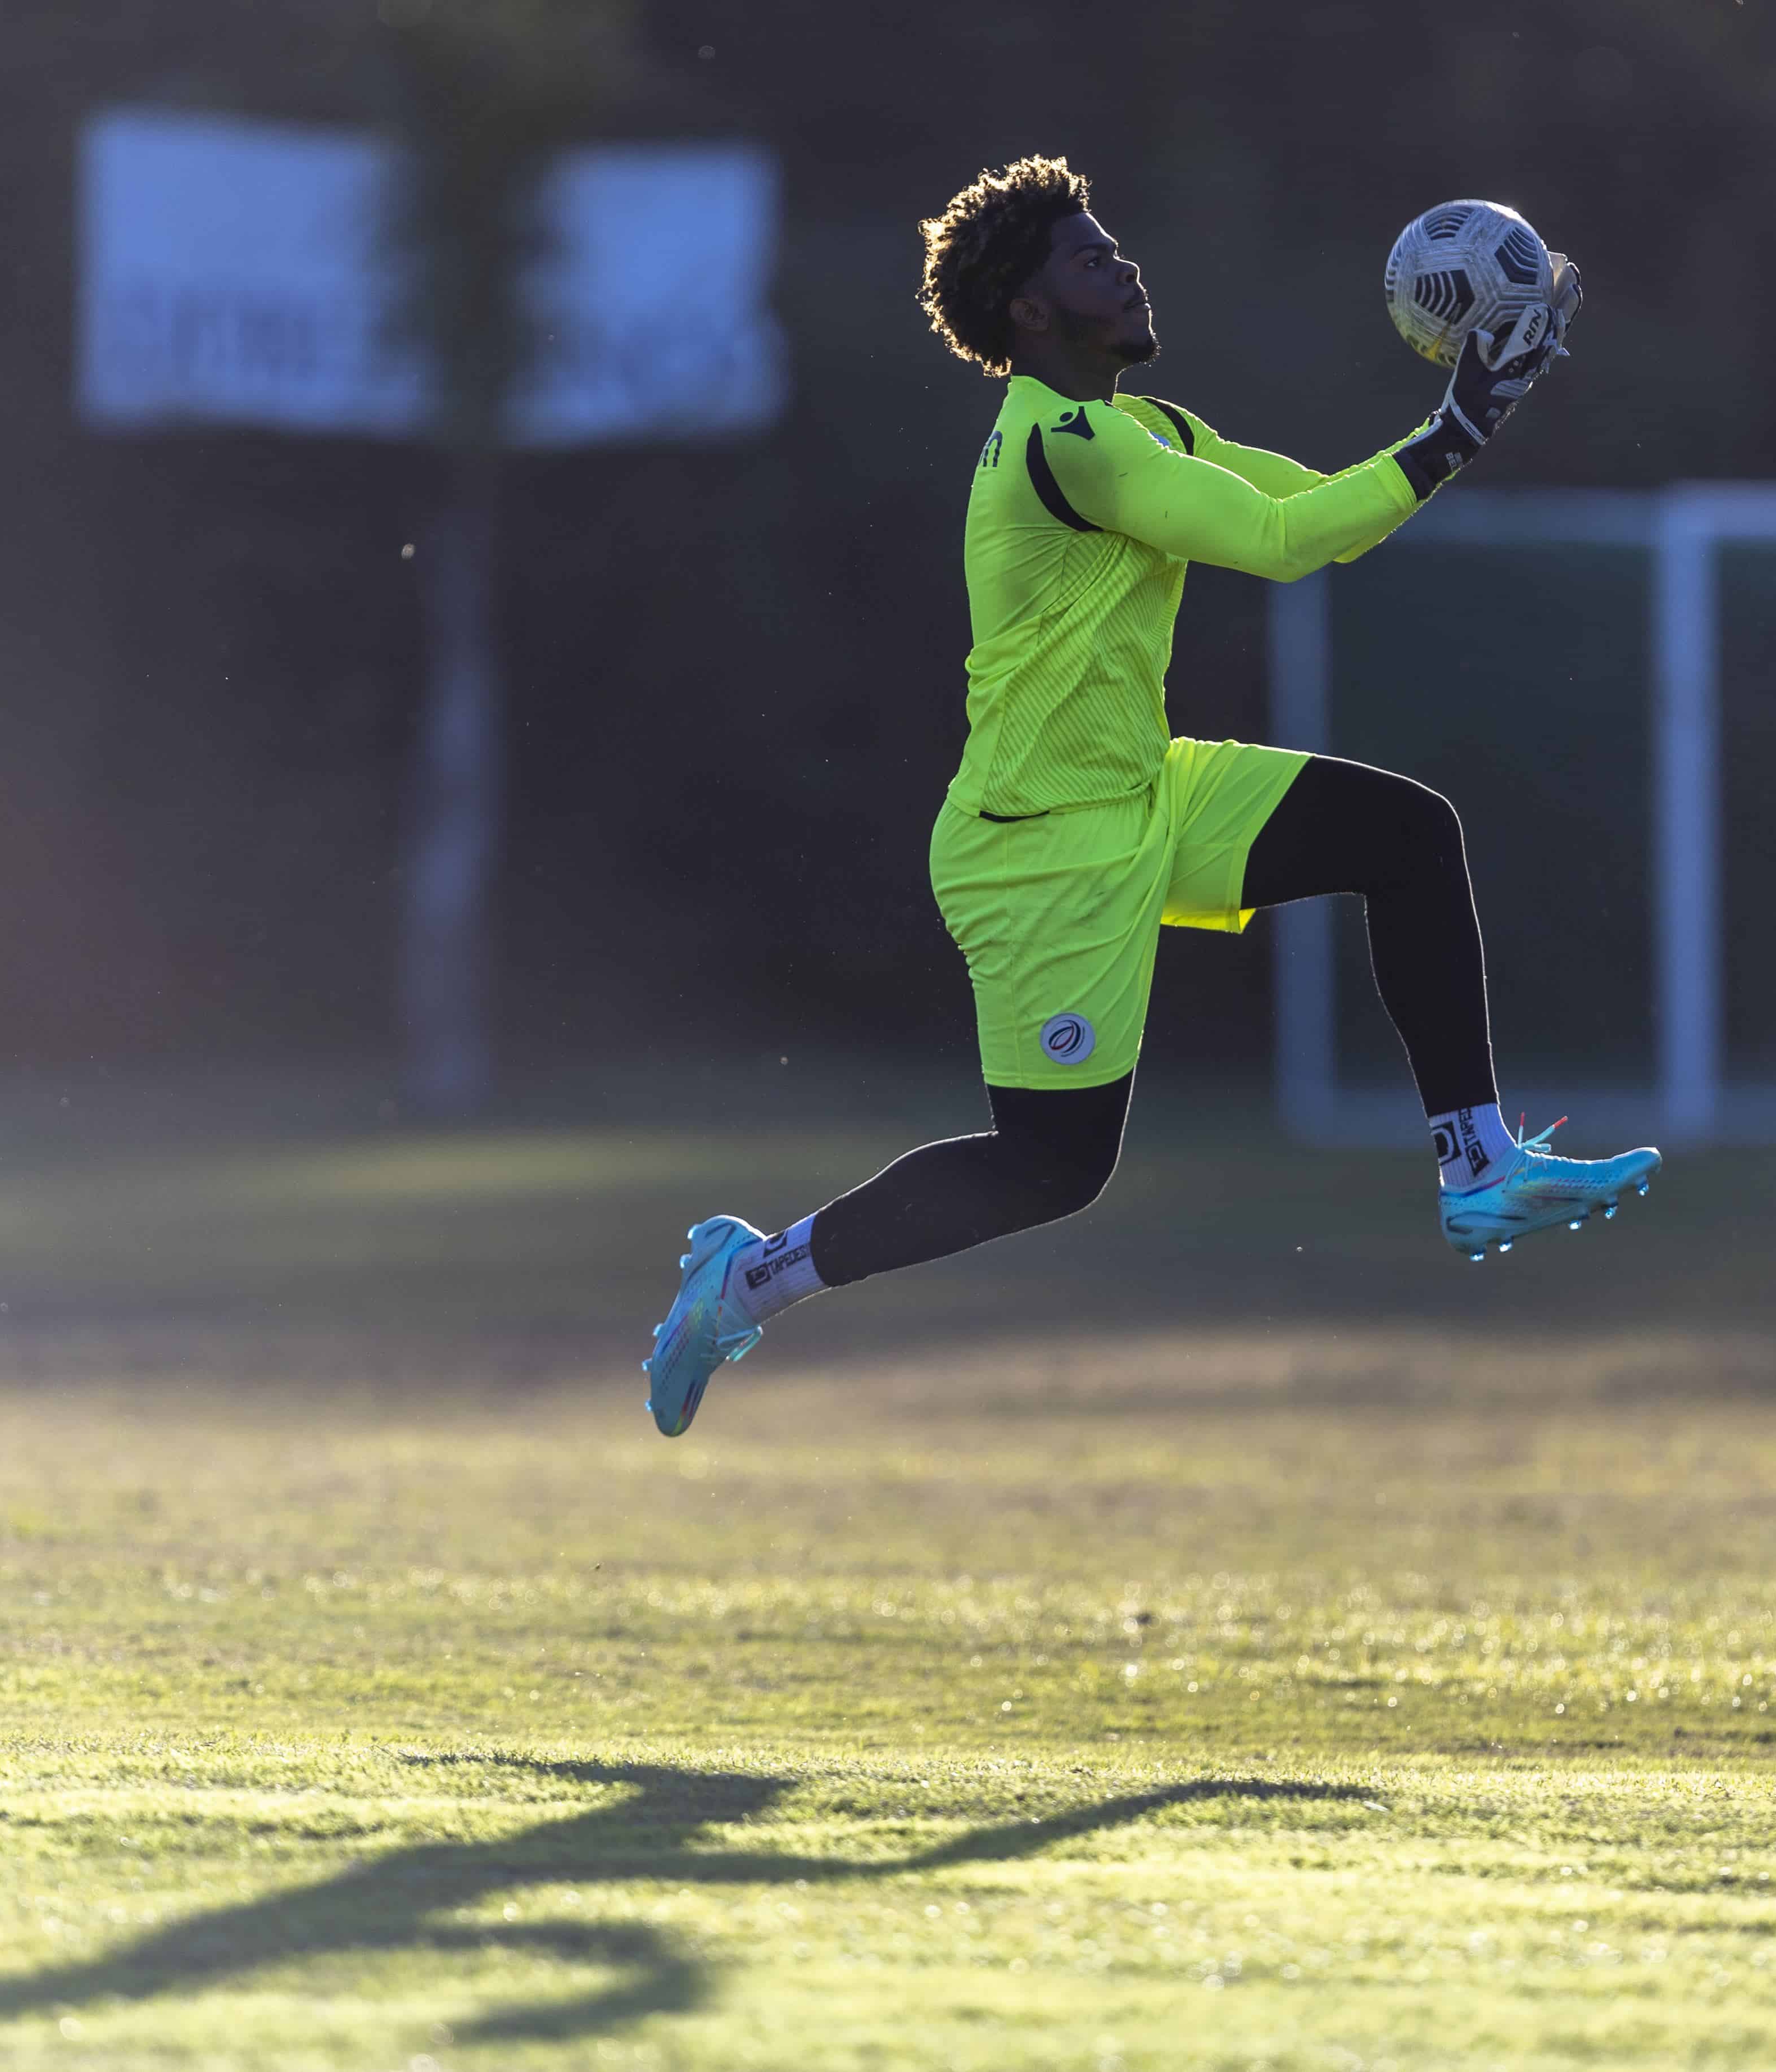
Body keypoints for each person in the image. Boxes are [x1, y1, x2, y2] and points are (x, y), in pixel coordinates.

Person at [642, 154, 1657, 1437]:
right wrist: (1460, 420)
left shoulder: (1147, 430)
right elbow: (1291, 547)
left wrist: (1460, 425)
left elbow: (1307, 506)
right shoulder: (1064, 446)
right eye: (1088, 258)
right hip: (1038, 854)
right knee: (1049, 1172)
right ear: (1027, 311)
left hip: (1144, 793)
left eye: (1116, 245)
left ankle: (1476, 1166)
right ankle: (746, 1282)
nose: (1122, 267)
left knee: (1405, 834)